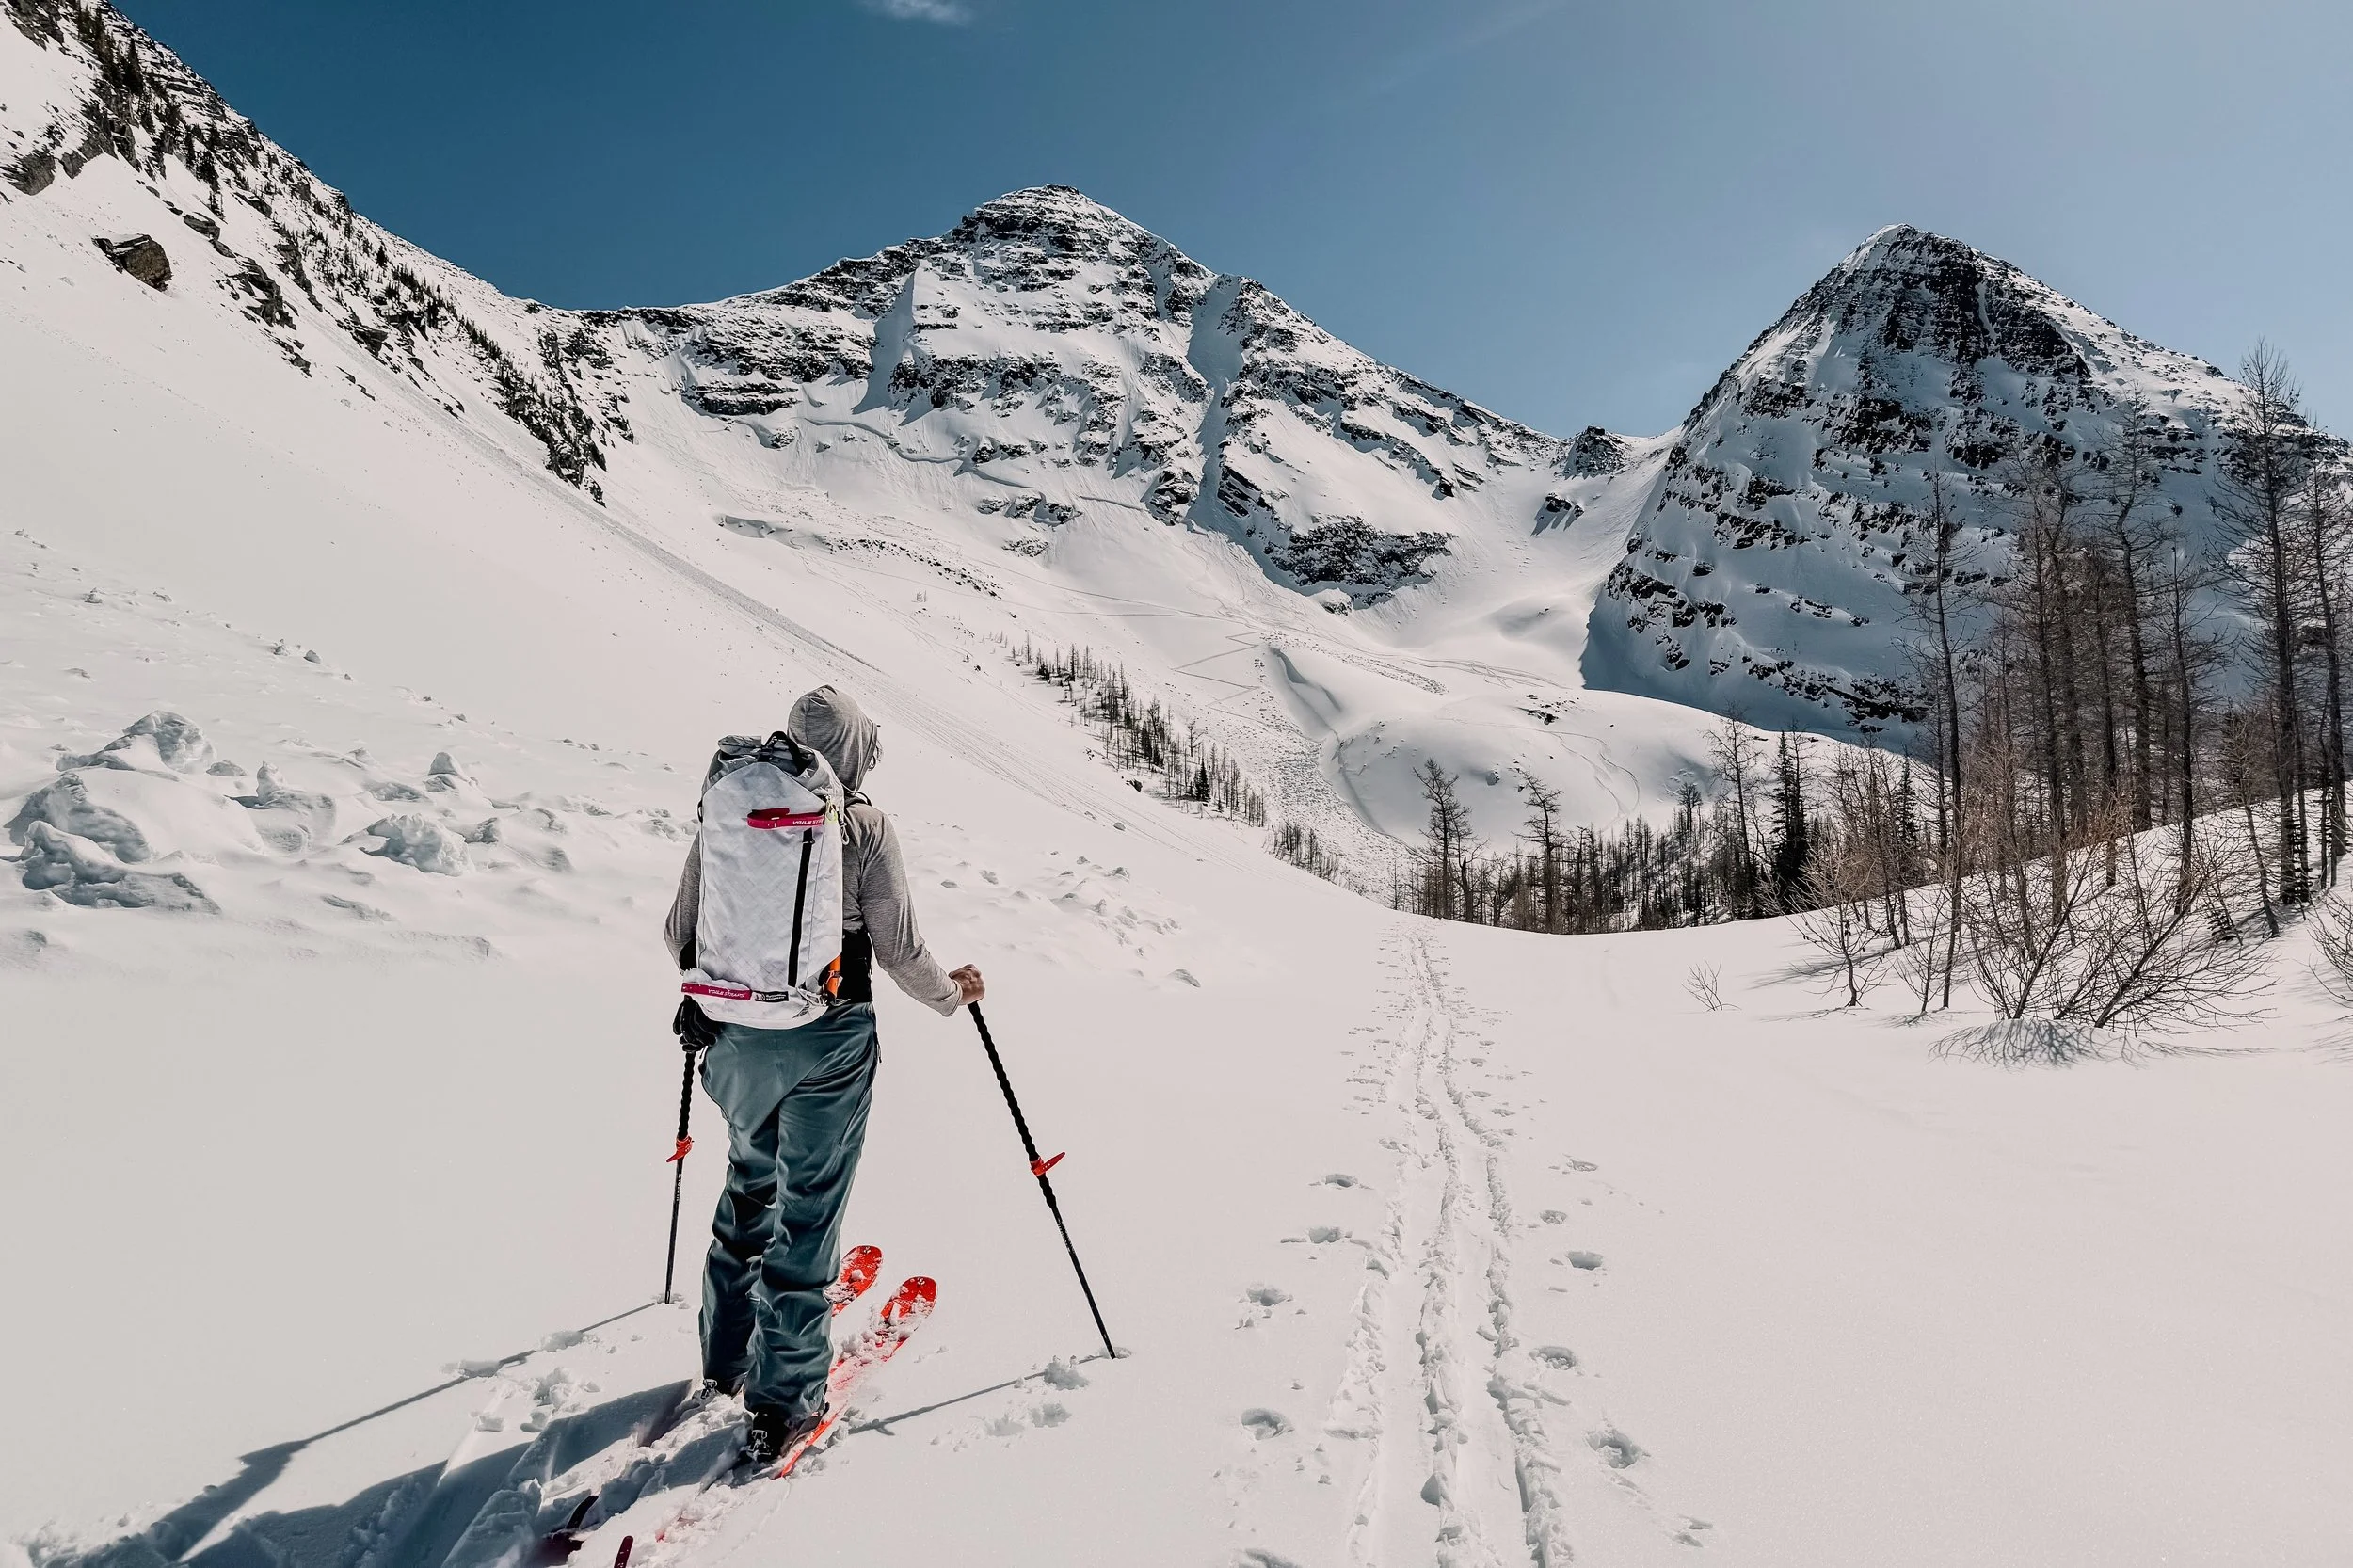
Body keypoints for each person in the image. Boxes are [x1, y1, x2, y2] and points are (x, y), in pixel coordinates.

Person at [663, 684, 984, 1464]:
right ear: (859, 751)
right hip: (829, 1042)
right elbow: (901, 951)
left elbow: (681, 930)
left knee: (748, 1187)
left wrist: (713, 1002)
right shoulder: (863, 826)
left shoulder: (729, 807)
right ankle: (784, 1403)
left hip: (734, 1037)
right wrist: (954, 994)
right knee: (808, 1214)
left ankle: (725, 1357)